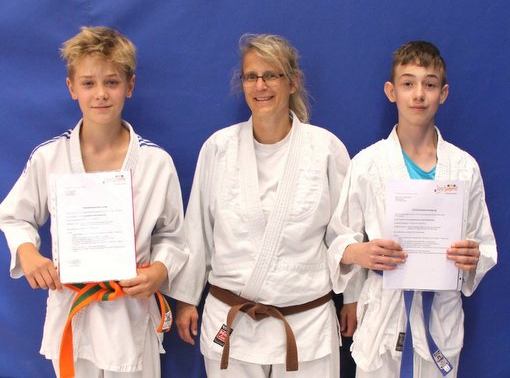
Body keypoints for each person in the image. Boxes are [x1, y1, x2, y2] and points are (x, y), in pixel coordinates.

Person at [0, 26, 188, 377]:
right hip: (73, 311)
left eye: (112, 82)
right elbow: (13, 217)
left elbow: (174, 236)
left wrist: (160, 270)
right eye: (88, 83)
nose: (100, 93)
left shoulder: (155, 163)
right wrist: (27, 252)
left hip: (130, 314)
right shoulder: (49, 157)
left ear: (130, 86)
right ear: (71, 88)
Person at [169, 33, 357, 377]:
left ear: (293, 82)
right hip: (233, 323)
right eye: (251, 76)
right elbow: (197, 231)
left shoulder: (326, 149)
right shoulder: (219, 148)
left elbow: (345, 233)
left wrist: (355, 298)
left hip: (306, 326)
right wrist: (186, 299)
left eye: (272, 75)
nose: (261, 85)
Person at [334, 41, 497, 377]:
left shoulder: (464, 167)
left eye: (430, 84)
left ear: (444, 93)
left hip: (439, 315)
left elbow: (485, 246)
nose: (419, 94)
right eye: (408, 84)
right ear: (391, 92)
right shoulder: (367, 164)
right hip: (383, 313)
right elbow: (339, 240)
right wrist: (359, 252)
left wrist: (473, 257)